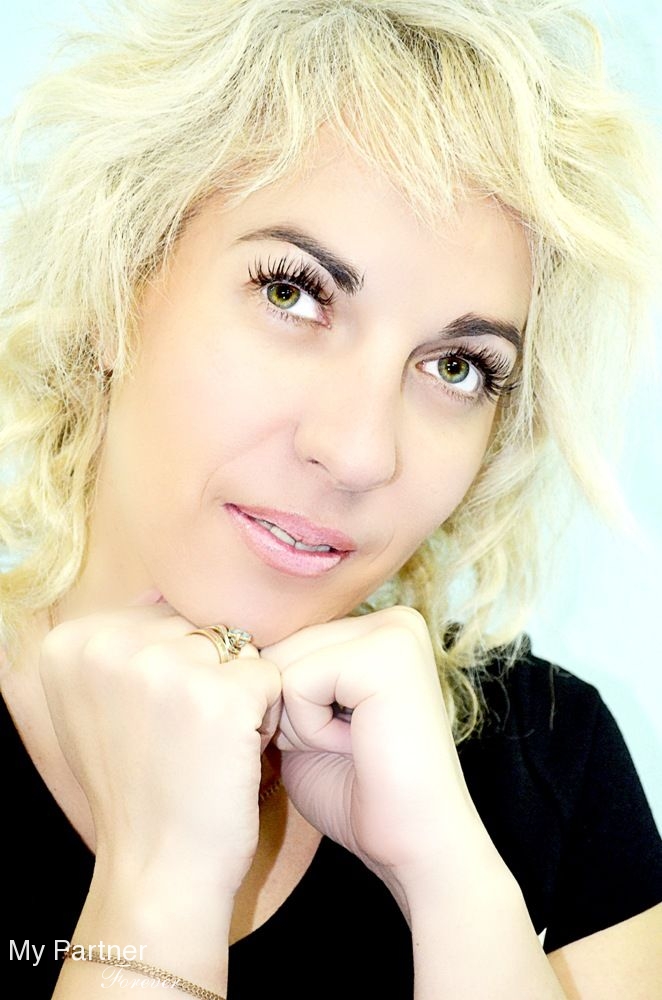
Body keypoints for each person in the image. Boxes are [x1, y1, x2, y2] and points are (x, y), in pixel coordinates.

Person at [1, 0, 661, 997]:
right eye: (292, 293)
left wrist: (452, 884)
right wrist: (156, 886)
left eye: (456, 366)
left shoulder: (549, 761)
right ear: (114, 289)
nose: (358, 453)